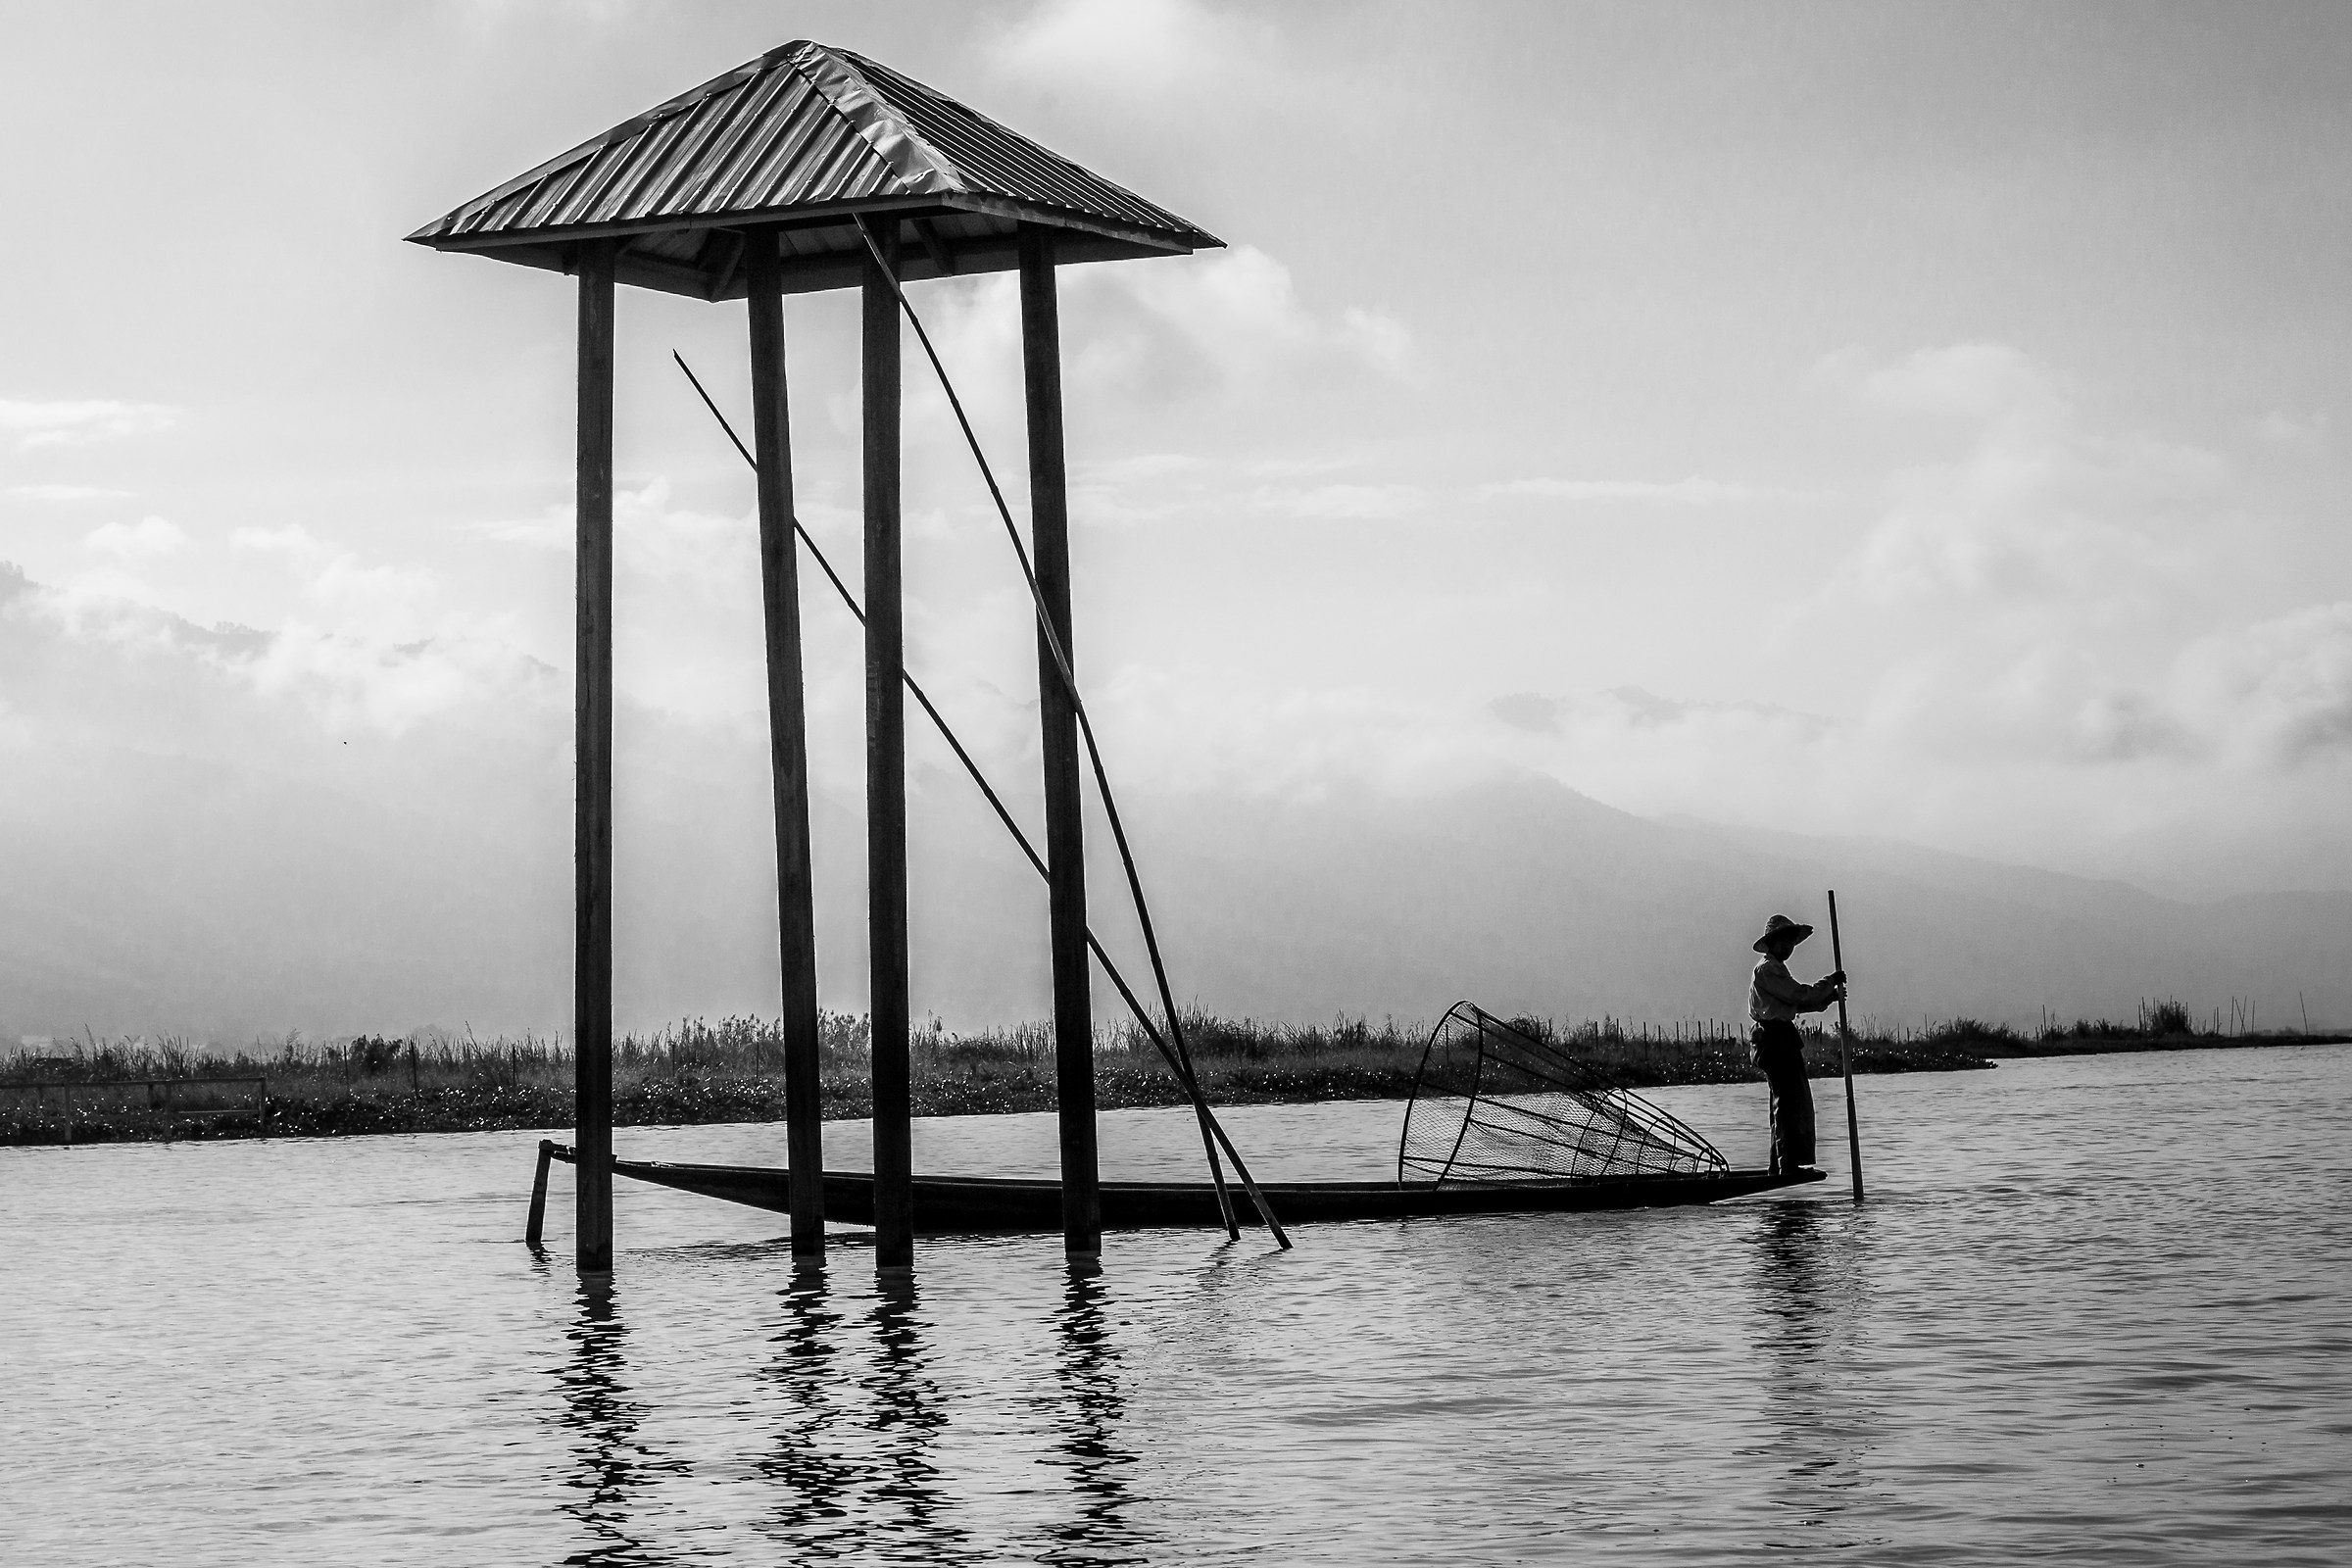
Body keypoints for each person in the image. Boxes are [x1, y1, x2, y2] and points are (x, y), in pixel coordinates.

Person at [1747, 913, 1845, 1175]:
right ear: (1772, 943)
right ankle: (1786, 1164)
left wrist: (1828, 997)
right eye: (1784, 942)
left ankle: (1779, 1164)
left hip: (1780, 1038)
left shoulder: (1775, 969)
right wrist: (1828, 982)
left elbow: (1796, 1003)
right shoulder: (1767, 969)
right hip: (1773, 1040)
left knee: (1788, 1101)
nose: (1789, 947)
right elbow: (1797, 994)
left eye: (1791, 942)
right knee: (1788, 1102)